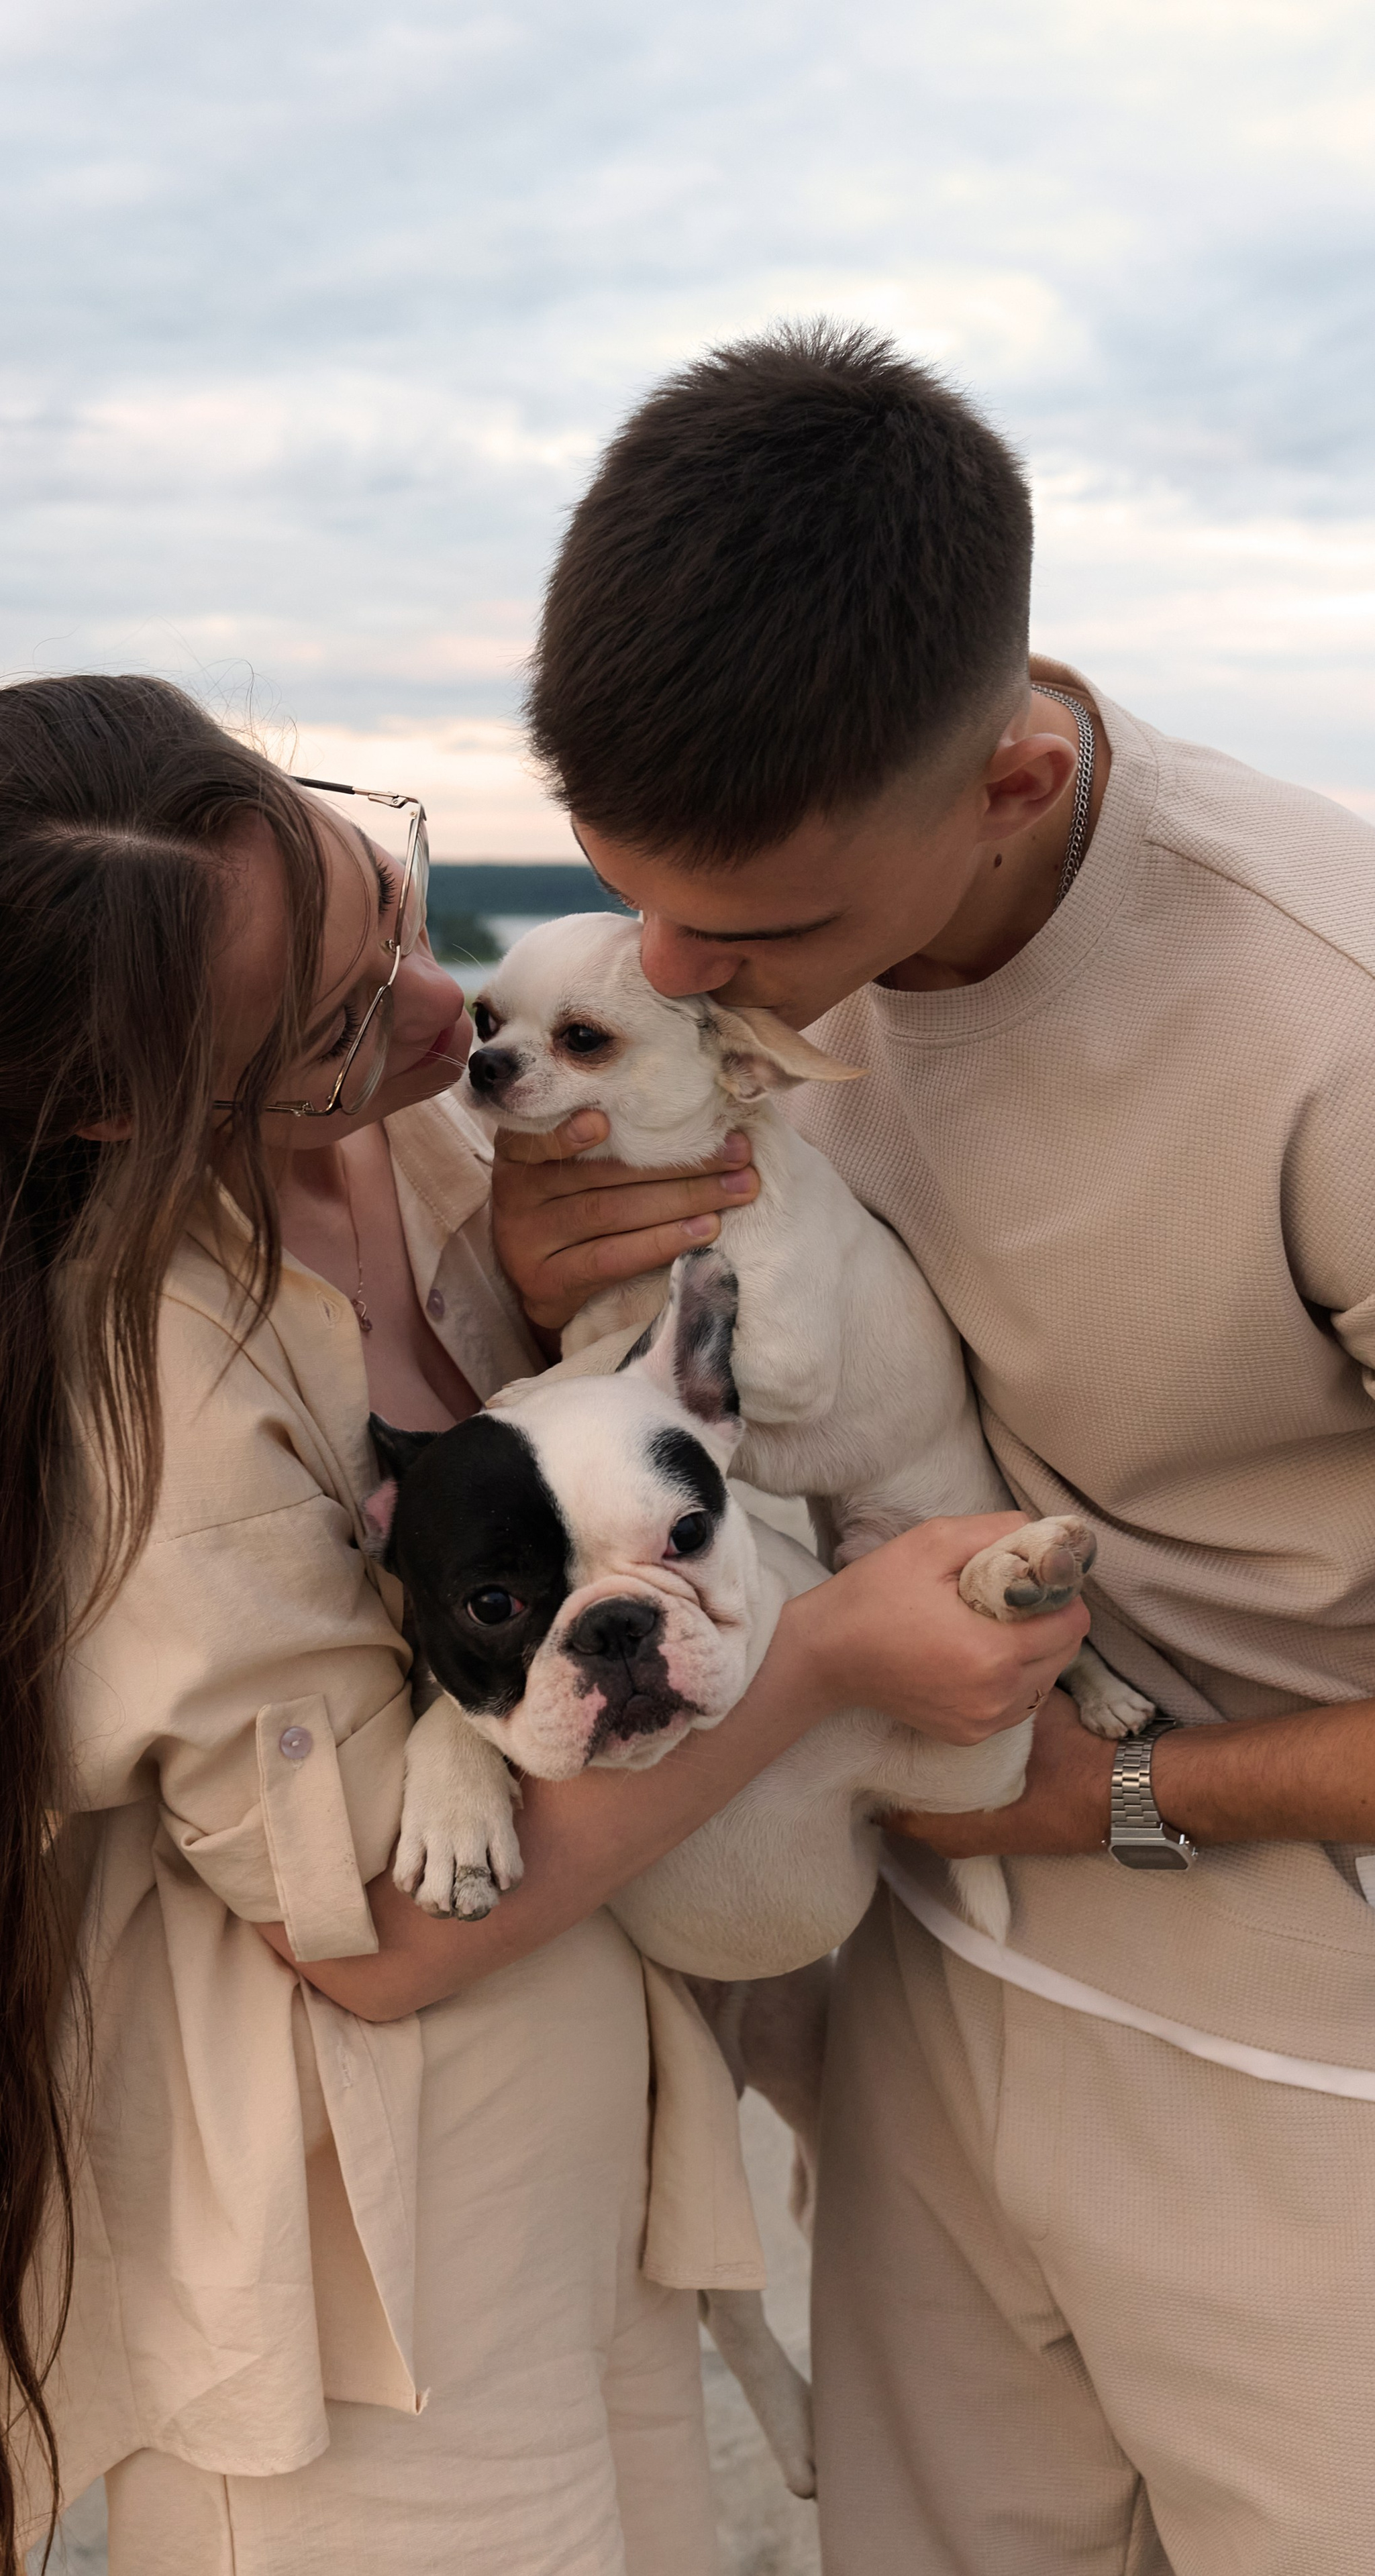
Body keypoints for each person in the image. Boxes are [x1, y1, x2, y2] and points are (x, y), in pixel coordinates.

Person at [0, 673, 1077, 2576]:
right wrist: (812, 1660)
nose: (422, 1015)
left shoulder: (409, 1139)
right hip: (380, 2272)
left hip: (606, 2129)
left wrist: (516, 1268)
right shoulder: (158, 1402)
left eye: (385, 893)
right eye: (331, 1023)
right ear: (127, 1106)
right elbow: (381, 1941)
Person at [493, 320, 1375, 2575]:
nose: (679, 975)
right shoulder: (725, 942)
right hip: (905, 1962)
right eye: (631, 895)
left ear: (1009, 785)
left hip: (1302, 2042)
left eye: (763, 933)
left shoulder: (1330, 1029)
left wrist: (1137, 1800)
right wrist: (562, 1261)